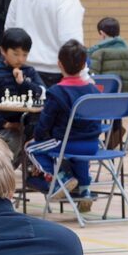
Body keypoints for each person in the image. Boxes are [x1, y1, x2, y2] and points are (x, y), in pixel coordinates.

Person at [31, 40, 102, 215]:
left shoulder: (56, 92)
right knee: (80, 157)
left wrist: (37, 137)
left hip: (66, 143)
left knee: (31, 149)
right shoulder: (94, 90)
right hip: (92, 145)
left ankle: (62, 177)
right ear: (84, 64)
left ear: (59, 64)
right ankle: (85, 190)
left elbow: (45, 122)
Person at [5, 0, 86, 83]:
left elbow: (9, 29)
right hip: (52, 76)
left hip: (18, 70)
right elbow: (71, 45)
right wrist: (84, 78)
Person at [0, 27, 45, 173]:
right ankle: (0, 175)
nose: (20, 59)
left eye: (25, 55)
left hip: (29, 126)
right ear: (3, 51)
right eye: (15, 54)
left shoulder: (29, 72)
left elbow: (42, 93)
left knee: (45, 138)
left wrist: (23, 83)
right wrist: (7, 124)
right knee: (12, 140)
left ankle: (35, 173)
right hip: (2, 128)